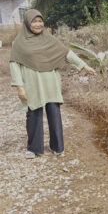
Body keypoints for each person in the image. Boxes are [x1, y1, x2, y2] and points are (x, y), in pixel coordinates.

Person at [9, 9, 96, 159]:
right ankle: (33, 148)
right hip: (32, 84)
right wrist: (19, 87)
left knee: (54, 114)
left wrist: (84, 66)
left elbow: (66, 53)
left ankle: (57, 147)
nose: (38, 24)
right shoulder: (19, 42)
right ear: (27, 23)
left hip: (50, 82)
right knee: (33, 115)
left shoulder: (49, 39)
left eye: (40, 21)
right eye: (34, 21)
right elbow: (14, 64)